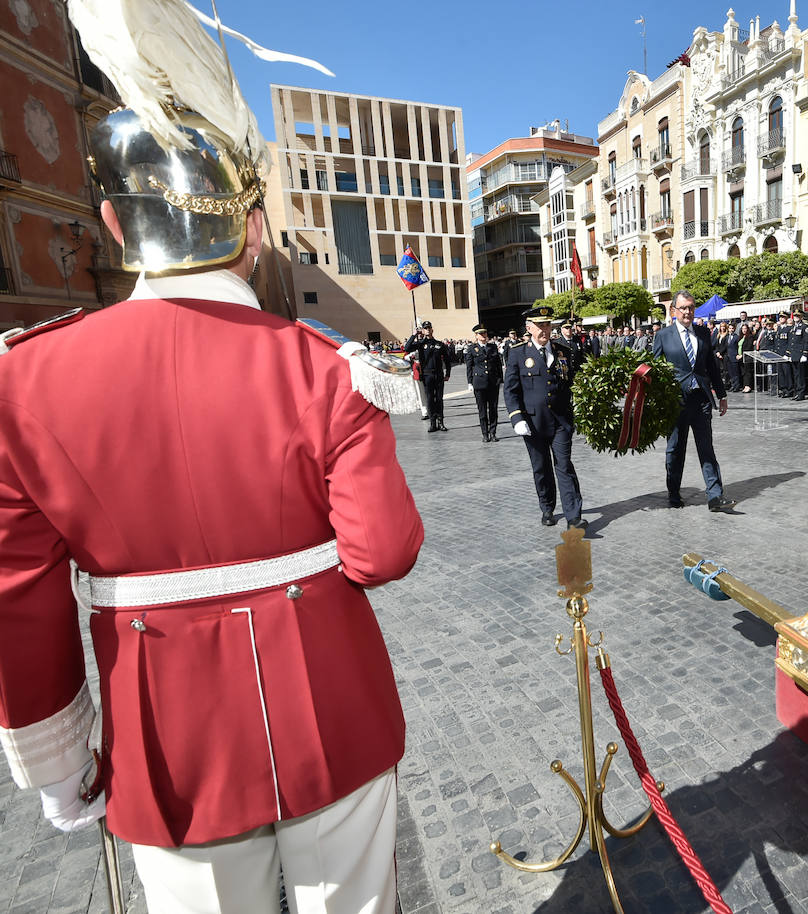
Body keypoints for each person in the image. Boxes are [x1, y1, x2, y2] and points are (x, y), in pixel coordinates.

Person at [0, 16, 424, 909]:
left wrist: (60, 763)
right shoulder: (328, 366)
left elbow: (18, 599)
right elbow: (382, 552)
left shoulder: (24, 379)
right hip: (334, 712)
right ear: (255, 230)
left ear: (115, 225)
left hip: (168, 740)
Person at [505, 306, 586, 528]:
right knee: (541, 468)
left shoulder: (563, 351)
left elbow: (575, 383)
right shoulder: (518, 353)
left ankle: (573, 516)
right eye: (540, 325)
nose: (544, 330)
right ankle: (547, 506)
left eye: (548, 325)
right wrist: (516, 418)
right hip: (533, 422)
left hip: (560, 421)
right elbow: (511, 390)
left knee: (564, 465)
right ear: (529, 328)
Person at [653, 291, 734, 512]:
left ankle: (715, 496)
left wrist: (722, 394)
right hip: (675, 402)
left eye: (691, 307)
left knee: (706, 448)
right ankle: (673, 492)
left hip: (701, 401)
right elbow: (654, 370)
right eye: (683, 308)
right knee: (675, 449)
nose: (688, 312)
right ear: (674, 311)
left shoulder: (702, 333)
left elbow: (712, 367)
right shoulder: (663, 336)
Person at [406, 320, 452, 433]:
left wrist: (448, 374)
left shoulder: (439, 344)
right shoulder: (420, 344)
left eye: (429, 328)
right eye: (425, 328)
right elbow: (407, 348)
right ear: (423, 330)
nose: (427, 330)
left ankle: (441, 422)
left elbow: (447, 360)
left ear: (432, 329)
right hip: (427, 375)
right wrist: (414, 334)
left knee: (439, 399)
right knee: (430, 400)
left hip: (439, 375)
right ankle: (432, 423)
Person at [467, 324, 504, 442]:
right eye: (481, 334)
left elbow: (498, 364)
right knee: (482, 410)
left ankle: (493, 432)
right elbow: (469, 367)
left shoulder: (492, 347)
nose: (484, 335)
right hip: (479, 382)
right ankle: (485, 434)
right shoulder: (472, 349)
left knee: (493, 409)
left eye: (485, 333)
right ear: (476, 336)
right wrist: (470, 382)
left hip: (493, 382)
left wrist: (500, 379)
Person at [788, 311, 808, 401]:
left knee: (800, 375)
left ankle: (801, 393)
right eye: (795, 316)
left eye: (798, 316)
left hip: (800, 354)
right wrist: (789, 354)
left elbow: (807, 341)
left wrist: (805, 354)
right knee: (795, 375)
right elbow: (791, 342)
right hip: (794, 354)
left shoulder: (805, 327)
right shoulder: (793, 328)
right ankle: (797, 392)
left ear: (801, 317)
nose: (796, 317)